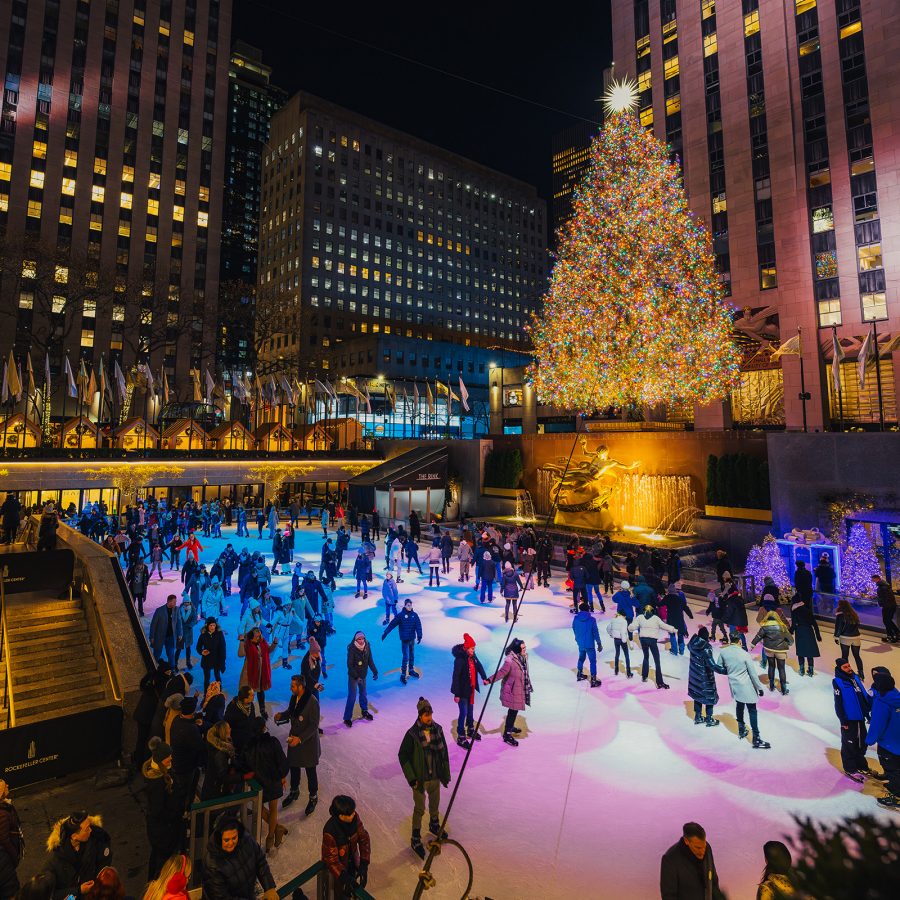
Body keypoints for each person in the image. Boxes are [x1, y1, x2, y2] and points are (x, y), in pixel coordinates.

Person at [398, 697, 451, 860]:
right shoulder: (412, 734)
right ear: (420, 715)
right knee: (420, 808)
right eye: (426, 715)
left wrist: (445, 772)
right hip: (420, 779)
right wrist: (411, 777)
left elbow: (444, 753)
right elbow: (403, 755)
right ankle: (415, 836)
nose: (429, 717)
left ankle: (434, 823)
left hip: (434, 775)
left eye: (430, 714)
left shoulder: (438, 730)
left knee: (435, 802)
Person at [274, 674, 321, 816]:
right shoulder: (294, 697)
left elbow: (314, 726)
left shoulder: (312, 702)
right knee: (294, 766)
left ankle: (313, 797)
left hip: (307, 743)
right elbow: (291, 712)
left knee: (310, 771)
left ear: (301, 686)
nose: (291, 688)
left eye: (293, 686)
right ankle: (294, 791)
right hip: (294, 739)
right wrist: (282, 715)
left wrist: (300, 739)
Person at [201, 814, 278, 900]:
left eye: (234, 838)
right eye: (226, 840)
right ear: (219, 839)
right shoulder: (212, 863)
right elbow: (221, 898)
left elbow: (260, 861)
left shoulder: (247, 841)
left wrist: (269, 887)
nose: (231, 843)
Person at [141, 739, 185, 880]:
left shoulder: (163, 772)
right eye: (168, 756)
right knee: (162, 862)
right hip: (164, 832)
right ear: (161, 759)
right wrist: (175, 815)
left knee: (157, 858)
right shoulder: (157, 783)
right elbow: (158, 810)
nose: (171, 757)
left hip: (163, 829)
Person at [42, 812, 112, 900]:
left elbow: (105, 864)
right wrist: (78, 890)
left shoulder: (97, 841)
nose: (91, 830)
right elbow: (48, 893)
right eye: (87, 829)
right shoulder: (54, 863)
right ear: (75, 836)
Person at [244, 719, 290, 852]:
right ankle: (273, 833)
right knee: (273, 808)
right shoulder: (272, 742)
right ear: (264, 728)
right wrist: (282, 775)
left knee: (259, 807)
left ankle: (274, 832)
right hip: (273, 780)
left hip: (258, 781)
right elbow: (282, 761)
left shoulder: (248, 746)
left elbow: (244, 764)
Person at [718, 631, 770, 749]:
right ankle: (756, 738)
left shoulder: (724, 652)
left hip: (734, 686)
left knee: (739, 705)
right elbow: (753, 674)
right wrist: (759, 688)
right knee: (752, 710)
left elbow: (719, 666)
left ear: (731, 640)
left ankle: (741, 730)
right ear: (740, 641)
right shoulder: (744, 654)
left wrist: (730, 672)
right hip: (746, 687)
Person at [485, 638, 532, 747]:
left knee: (514, 711)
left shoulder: (523, 657)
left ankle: (510, 727)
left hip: (519, 687)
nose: (525, 649)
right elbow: (501, 673)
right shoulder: (509, 661)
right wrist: (489, 680)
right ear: (517, 649)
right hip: (512, 690)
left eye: (525, 647)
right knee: (513, 711)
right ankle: (507, 734)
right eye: (523, 648)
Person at [660, 822, 725, 900]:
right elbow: (669, 896)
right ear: (686, 841)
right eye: (698, 848)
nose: (702, 851)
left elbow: (713, 882)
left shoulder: (707, 849)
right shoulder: (670, 859)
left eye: (703, 846)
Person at [865, 666, 900, 809]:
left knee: (892, 768)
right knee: (897, 767)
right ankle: (894, 784)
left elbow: (877, 724)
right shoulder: (896, 695)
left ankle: (897, 797)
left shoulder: (882, 701)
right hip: (897, 740)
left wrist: (869, 740)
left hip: (888, 743)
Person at [321, 796, 370, 898]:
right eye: (350, 814)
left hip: (352, 863)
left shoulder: (355, 818)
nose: (354, 814)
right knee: (338, 894)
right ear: (341, 816)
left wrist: (364, 864)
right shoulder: (330, 831)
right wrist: (344, 877)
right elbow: (331, 860)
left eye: (353, 811)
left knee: (351, 890)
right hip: (337, 872)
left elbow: (364, 839)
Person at [832, 660, 873, 782]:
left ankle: (861, 765)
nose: (849, 668)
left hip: (860, 716)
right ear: (840, 668)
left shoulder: (855, 677)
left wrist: (867, 714)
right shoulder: (838, 681)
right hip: (849, 719)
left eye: (849, 665)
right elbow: (838, 703)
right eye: (845, 667)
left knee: (862, 742)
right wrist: (842, 720)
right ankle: (850, 769)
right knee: (849, 744)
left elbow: (862, 696)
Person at [451, 634, 488, 749]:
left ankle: (470, 730)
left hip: (470, 689)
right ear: (466, 648)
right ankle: (461, 736)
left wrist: (484, 677)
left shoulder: (472, 656)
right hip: (462, 691)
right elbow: (456, 677)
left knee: (470, 711)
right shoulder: (459, 660)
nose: (474, 651)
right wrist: (456, 694)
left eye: (474, 649)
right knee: (463, 713)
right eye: (472, 649)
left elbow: (479, 666)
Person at [629, 605, 676, 689]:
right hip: (652, 641)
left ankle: (644, 676)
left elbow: (632, 626)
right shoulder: (655, 618)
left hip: (643, 640)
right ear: (652, 611)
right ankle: (659, 682)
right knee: (657, 661)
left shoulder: (640, 617)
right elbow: (664, 626)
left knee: (646, 656)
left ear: (644, 611)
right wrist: (674, 629)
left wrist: (629, 628)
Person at [687, 626, 726, 726]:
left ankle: (698, 717)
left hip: (695, 675)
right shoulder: (706, 648)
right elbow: (712, 665)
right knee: (709, 697)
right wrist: (725, 670)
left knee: (697, 694)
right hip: (705, 677)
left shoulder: (692, 645)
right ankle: (709, 719)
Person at [751, 611, 793, 695]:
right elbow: (791, 640)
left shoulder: (764, 627)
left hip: (769, 649)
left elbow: (758, 636)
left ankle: (771, 685)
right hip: (781, 650)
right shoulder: (782, 627)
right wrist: (787, 644)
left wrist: (753, 644)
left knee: (771, 666)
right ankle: (784, 689)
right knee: (781, 669)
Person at [382, 598, 422, 684]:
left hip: (411, 639)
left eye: (411, 605)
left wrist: (419, 635)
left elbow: (418, 625)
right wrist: (385, 632)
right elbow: (392, 624)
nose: (410, 606)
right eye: (408, 605)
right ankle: (403, 674)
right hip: (405, 640)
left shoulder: (414, 615)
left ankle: (411, 670)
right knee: (406, 657)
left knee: (412, 656)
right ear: (405, 605)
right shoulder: (400, 615)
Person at [238, 626, 276, 718]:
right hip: (250, 672)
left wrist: (275, 643)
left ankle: (262, 710)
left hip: (261, 671)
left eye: (259, 634)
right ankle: (243, 710)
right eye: (257, 634)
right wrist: (241, 641)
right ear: (252, 635)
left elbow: (268, 650)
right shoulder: (247, 643)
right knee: (247, 692)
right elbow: (241, 654)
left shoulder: (262, 642)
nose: (259, 636)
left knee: (260, 691)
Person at [343, 632, 378, 727]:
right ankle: (347, 718)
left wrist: (375, 671)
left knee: (363, 694)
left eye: (363, 638)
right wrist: (356, 676)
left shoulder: (367, 646)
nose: (362, 640)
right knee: (352, 696)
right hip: (353, 677)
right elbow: (349, 665)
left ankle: (364, 711)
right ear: (355, 640)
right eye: (359, 639)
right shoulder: (352, 648)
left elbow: (370, 660)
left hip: (363, 675)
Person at [202, 722, 240, 800]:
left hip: (211, 786)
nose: (230, 729)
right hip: (215, 791)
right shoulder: (220, 754)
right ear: (223, 732)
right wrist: (241, 777)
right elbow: (223, 777)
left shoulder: (216, 747)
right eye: (228, 728)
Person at [0, 780, 22, 899]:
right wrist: (14, 857)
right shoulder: (2, 813)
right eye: (4, 785)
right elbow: (4, 839)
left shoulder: (5, 806)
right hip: (6, 866)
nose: (8, 785)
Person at [572, 601, 602, 688]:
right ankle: (593, 680)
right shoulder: (592, 620)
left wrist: (577, 638)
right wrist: (599, 643)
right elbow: (595, 632)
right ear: (588, 609)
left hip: (580, 643)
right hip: (589, 644)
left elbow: (574, 628)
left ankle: (579, 674)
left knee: (581, 658)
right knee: (592, 661)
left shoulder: (576, 618)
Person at [789, 598, 821, 677]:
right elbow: (814, 624)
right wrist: (818, 636)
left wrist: (790, 632)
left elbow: (793, 624)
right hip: (809, 631)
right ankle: (810, 671)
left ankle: (802, 670)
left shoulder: (795, 611)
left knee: (801, 651)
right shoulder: (808, 610)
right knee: (809, 651)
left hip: (800, 632)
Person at [149, 595, 182, 670]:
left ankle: (172, 669)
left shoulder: (176, 609)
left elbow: (179, 622)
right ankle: (152, 668)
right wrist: (152, 636)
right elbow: (153, 624)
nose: (175, 603)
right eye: (174, 602)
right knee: (157, 653)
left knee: (171, 654)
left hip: (170, 636)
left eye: (175, 601)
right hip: (159, 636)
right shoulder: (159, 610)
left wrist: (180, 634)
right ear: (169, 601)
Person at [224, 685, 258, 759]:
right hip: (238, 741)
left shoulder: (251, 705)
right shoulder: (232, 708)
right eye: (252, 695)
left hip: (249, 738)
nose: (254, 696)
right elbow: (227, 724)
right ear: (245, 698)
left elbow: (252, 719)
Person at [834, 598, 865, 676]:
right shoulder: (854, 615)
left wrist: (836, 637)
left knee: (845, 657)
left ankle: (846, 673)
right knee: (857, 656)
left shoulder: (840, 615)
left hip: (845, 638)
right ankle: (861, 673)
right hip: (856, 638)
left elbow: (839, 627)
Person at [196, 617, 226, 692]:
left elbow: (223, 648)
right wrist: (202, 652)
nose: (212, 627)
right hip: (207, 659)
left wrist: (222, 661)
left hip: (217, 659)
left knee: (217, 676)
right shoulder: (203, 635)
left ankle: (219, 692)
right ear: (207, 626)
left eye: (214, 625)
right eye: (211, 625)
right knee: (206, 678)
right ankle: (206, 693)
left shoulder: (219, 634)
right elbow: (198, 647)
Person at [664, 582, 693, 656]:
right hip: (679, 615)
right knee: (680, 631)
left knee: (672, 634)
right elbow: (685, 605)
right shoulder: (681, 594)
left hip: (672, 617)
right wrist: (690, 615)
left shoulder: (670, 596)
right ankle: (681, 650)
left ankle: (674, 650)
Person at [606, 610, 633, 677]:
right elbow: (623, 632)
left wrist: (611, 634)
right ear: (623, 616)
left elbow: (608, 628)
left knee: (617, 654)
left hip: (616, 639)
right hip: (622, 639)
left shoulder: (613, 620)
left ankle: (616, 670)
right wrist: (624, 640)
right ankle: (628, 672)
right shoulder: (624, 621)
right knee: (626, 655)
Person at [873, 574, 899, 642]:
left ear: (877, 579)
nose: (872, 580)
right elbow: (883, 596)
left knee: (887, 620)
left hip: (888, 606)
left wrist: (880, 601)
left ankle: (893, 635)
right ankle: (893, 634)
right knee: (887, 620)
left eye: (873, 579)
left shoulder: (883, 587)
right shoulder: (883, 585)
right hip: (888, 605)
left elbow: (885, 597)